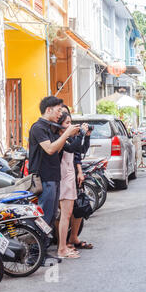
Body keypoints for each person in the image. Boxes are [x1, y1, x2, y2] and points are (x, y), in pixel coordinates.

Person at [28, 96, 80, 262]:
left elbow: (57, 150)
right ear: (48, 109)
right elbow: (50, 149)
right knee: (44, 216)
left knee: (50, 217)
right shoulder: (38, 128)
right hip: (44, 178)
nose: (60, 114)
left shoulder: (50, 128)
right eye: (58, 110)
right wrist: (65, 133)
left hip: (54, 177)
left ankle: (42, 251)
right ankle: (35, 255)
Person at [59, 104, 94, 251]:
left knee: (77, 206)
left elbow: (79, 151)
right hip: (62, 175)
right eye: (65, 120)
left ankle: (73, 237)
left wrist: (86, 136)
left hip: (72, 172)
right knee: (62, 212)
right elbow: (71, 148)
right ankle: (62, 243)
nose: (69, 124)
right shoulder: (58, 136)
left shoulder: (70, 134)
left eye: (69, 119)